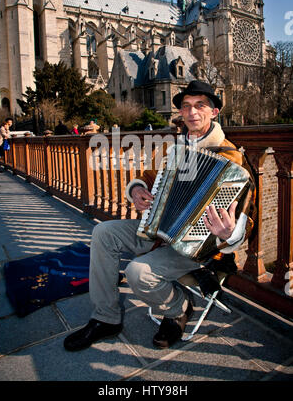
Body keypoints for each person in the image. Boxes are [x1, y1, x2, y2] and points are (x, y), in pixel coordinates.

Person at [64, 80, 256, 352]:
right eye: (187, 107)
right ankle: (105, 317)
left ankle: (178, 309)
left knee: (137, 271)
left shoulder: (232, 159)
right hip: (158, 233)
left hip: (199, 249)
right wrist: (138, 189)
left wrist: (230, 234)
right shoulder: (174, 148)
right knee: (103, 233)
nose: (192, 113)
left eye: (200, 105)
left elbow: (247, 219)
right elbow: (149, 179)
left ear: (214, 112)